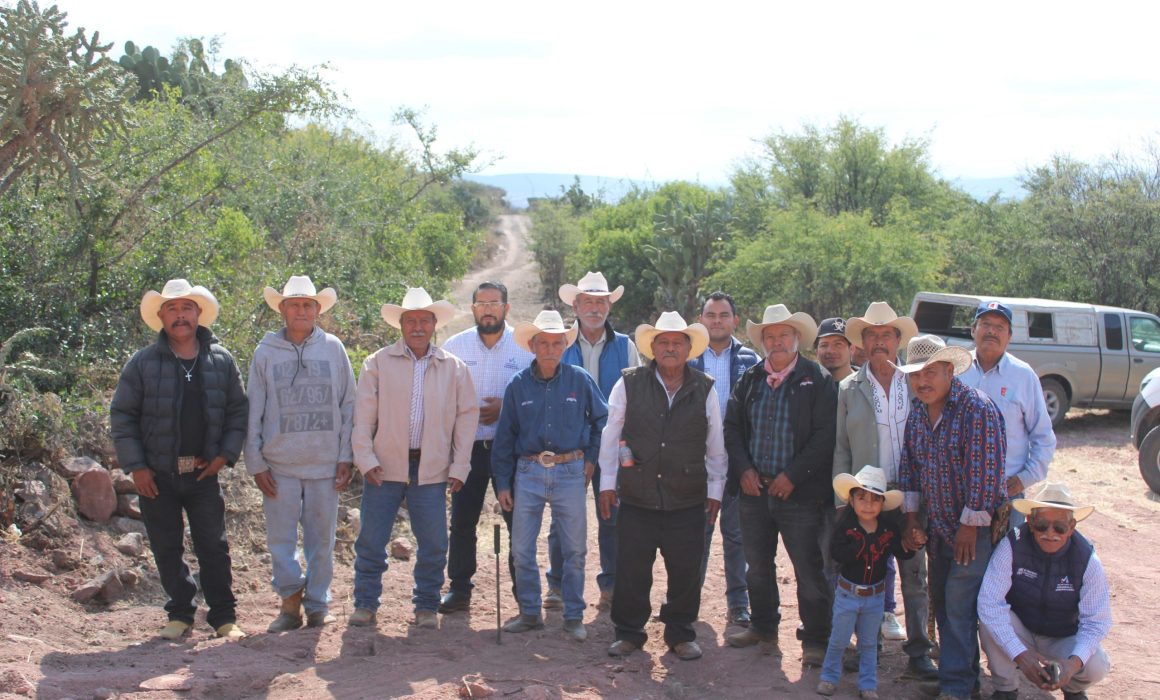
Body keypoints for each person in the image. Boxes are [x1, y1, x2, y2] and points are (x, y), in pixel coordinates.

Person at [110, 279, 248, 640]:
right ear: (161, 317)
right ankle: (180, 614)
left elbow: (237, 411)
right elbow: (123, 416)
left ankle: (223, 617)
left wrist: (224, 456)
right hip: (156, 476)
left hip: (203, 474)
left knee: (213, 545)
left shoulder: (221, 360)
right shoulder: (142, 363)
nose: (180, 315)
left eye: (187, 307)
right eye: (172, 308)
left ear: (198, 313)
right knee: (166, 546)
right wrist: (137, 467)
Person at [598, 311, 726, 661]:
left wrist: (715, 490)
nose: (670, 348)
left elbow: (715, 444)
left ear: (688, 348)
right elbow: (611, 434)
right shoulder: (629, 383)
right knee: (632, 568)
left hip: (687, 495)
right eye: (664, 342)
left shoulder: (705, 387)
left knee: (685, 569)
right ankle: (628, 633)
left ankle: (681, 633)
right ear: (652, 348)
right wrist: (607, 484)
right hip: (637, 494)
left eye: (677, 343)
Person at [349, 287, 478, 630]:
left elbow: (467, 419)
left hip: (431, 467)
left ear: (434, 324)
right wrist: (365, 459)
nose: (418, 327)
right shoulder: (377, 363)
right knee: (371, 540)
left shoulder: (454, 368)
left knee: (434, 543)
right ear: (401, 324)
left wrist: (460, 465)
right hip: (384, 465)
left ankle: (426, 606)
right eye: (411, 321)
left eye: (424, 320)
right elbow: (362, 417)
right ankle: (365, 603)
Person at [724, 304, 836, 668]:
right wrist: (743, 469)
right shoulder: (751, 379)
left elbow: (825, 435)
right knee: (757, 566)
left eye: (783, 335)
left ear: (797, 338)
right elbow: (732, 428)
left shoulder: (816, 379)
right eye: (770, 336)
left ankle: (815, 639)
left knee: (808, 569)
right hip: (755, 491)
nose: (777, 342)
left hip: (799, 494)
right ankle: (763, 627)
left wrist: (794, 476)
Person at [896, 334, 1006, 700]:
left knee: (958, 604)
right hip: (940, 528)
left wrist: (968, 528)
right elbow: (910, 469)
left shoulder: (977, 409)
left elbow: (986, 475)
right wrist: (912, 519)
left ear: (949, 371)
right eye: (915, 374)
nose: (922, 381)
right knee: (944, 603)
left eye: (930, 372)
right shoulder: (917, 413)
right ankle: (959, 679)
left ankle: (957, 686)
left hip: (975, 530)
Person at [244, 276, 355, 631]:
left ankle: (318, 604)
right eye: (294, 304)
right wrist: (256, 462)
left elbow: (349, 404)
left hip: (325, 464)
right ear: (282, 309)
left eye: (308, 305)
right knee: (281, 540)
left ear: (318, 310)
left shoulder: (334, 348)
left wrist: (346, 455)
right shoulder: (265, 353)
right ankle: (290, 604)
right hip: (279, 466)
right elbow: (253, 409)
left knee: (321, 540)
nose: (301, 311)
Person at [833, 301, 937, 678]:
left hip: (912, 496)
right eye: (872, 335)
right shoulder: (849, 388)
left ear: (898, 340)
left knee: (914, 576)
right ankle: (869, 648)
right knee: (867, 573)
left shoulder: (917, 383)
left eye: (887, 335)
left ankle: (919, 652)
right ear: (861, 342)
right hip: (867, 497)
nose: (880, 342)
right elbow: (841, 448)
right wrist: (842, 501)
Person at [491, 310, 608, 641]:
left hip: (570, 471)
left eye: (557, 343)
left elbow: (602, 420)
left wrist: (591, 459)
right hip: (528, 471)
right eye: (543, 343)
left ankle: (573, 615)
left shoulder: (579, 380)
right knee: (521, 549)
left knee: (575, 549)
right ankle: (530, 612)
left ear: (564, 346)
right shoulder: (518, 385)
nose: (550, 349)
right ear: (532, 345)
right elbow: (504, 437)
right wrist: (503, 483)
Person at [548, 271, 641, 611]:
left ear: (609, 307)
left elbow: (637, 396)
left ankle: (612, 585)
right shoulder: (560, 343)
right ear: (575, 306)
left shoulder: (625, 346)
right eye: (587, 301)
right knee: (562, 517)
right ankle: (557, 586)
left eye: (600, 302)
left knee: (612, 515)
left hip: (612, 444)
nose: (594, 308)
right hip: (568, 446)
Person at [438, 281, 533, 613]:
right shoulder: (455, 346)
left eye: (494, 303)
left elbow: (535, 395)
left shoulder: (525, 348)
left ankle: (524, 592)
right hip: (468, 447)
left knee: (517, 521)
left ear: (506, 308)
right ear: (473, 309)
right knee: (462, 521)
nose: (488, 310)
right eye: (482, 304)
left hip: (511, 450)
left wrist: (506, 409)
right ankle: (459, 589)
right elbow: (441, 394)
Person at [978, 482, 1111, 700]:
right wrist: (1020, 654)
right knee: (989, 622)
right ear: (1030, 522)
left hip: (1062, 637)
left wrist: (1072, 664)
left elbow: (1096, 623)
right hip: (1022, 629)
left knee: (1096, 665)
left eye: (1059, 527)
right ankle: (1005, 688)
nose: (1050, 533)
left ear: (1072, 527)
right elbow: (989, 603)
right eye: (1041, 525)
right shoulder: (1012, 544)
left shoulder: (1087, 559)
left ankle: (1073, 688)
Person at [817, 466, 918, 700]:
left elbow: (901, 552)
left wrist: (913, 544)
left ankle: (868, 684)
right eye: (861, 498)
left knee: (869, 643)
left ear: (883, 503)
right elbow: (836, 553)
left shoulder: (888, 529)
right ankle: (829, 677)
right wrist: (860, 546)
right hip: (847, 594)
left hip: (875, 597)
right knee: (839, 639)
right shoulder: (845, 526)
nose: (868, 505)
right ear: (851, 501)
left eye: (875, 499)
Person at [690, 291, 760, 627]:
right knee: (696, 534)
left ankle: (738, 603)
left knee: (736, 535)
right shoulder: (689, 358)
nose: (717, 321)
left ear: (735, 320)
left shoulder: (751, 360)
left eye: (723, 315)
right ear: (700, 319)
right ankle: (687, 599)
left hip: (737, 461)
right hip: (696, 462)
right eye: (711, 315)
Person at [960, 301, 1056, 531]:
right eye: (985, 324)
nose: (992, 331)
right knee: (959, 553)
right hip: (959, 491)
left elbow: (1043, 436)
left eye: (1000, 327)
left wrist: (1025, 478)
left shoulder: (1023, 376)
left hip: (1006, 494)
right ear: (973, 330)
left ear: (1009, 336)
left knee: (1006, 553)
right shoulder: (957, 370)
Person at [816, 317, 856, 382]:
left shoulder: (868, 382)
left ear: (851, 349)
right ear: (817, 352)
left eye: (838, 344)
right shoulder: (806, 384)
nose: (830, 351)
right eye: (824, 345)